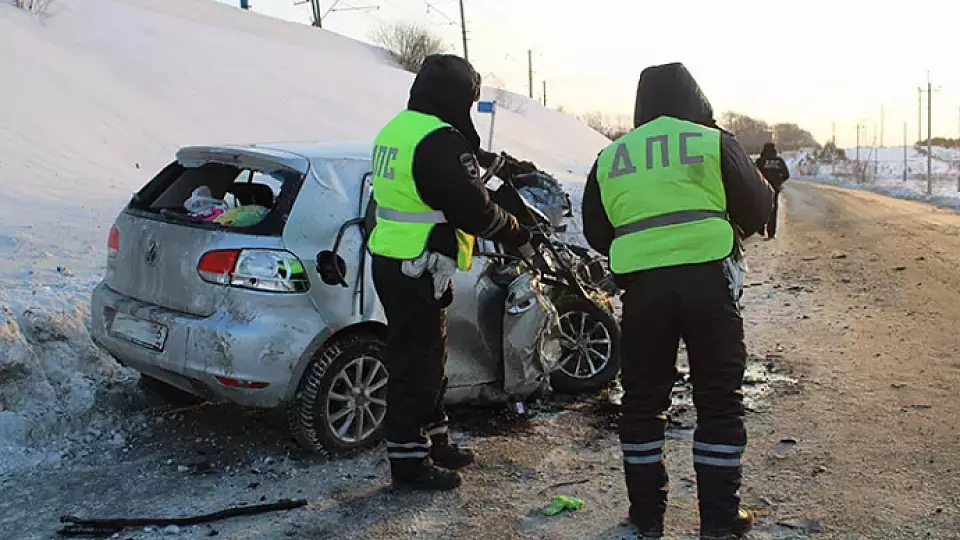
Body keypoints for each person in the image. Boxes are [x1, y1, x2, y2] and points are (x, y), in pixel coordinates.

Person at [581, 62, 774, 539]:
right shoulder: (710, 141)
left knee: (643, 402)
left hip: (643, 292)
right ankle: (719, 520)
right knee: (718, 400)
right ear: (695, 98)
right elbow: (758, 205)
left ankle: (646, 519)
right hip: (708, 284)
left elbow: (596, 230)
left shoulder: (611, 156)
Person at [367, 54, 535, 492]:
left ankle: (435, 438)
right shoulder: (440, 140)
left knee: (430, 353)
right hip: (416, 264)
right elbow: (471, 209)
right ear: (458, 97)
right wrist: (516, 230)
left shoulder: (398, 129)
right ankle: (410, 462)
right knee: (415, 362)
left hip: (399, 260)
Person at [755, 142, 791, 239]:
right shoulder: (779, 161)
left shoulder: (760, 161)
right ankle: (771, 233)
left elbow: (754, 174)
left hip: (762, 188)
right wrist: (779, 181)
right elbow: (786, 175)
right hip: (775, 188)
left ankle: (760, 228)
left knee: (761, 207)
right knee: (773, 209)